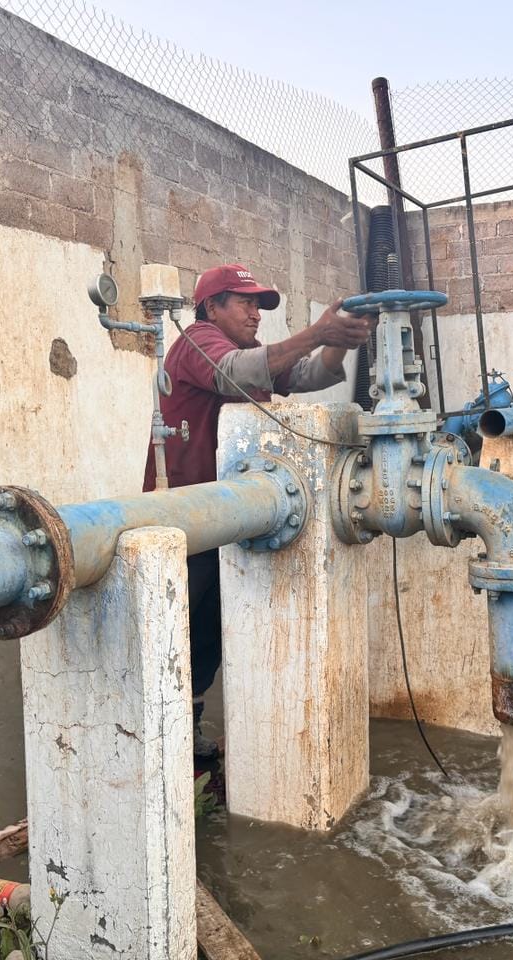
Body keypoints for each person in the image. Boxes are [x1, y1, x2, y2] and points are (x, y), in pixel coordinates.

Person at [142, 264, 372, 759]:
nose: (255, 313)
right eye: (244, 302)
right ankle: (155, 733)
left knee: (206, 627)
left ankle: (190, 728)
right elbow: (236, 374)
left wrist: (340, 340)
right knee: (173, 625)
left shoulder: (250, 353)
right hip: (186, 512)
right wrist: (316, 331)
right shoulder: (197, 341)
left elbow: (308, 375)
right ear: (212, 307)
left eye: (259, 304)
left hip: (229, 514)